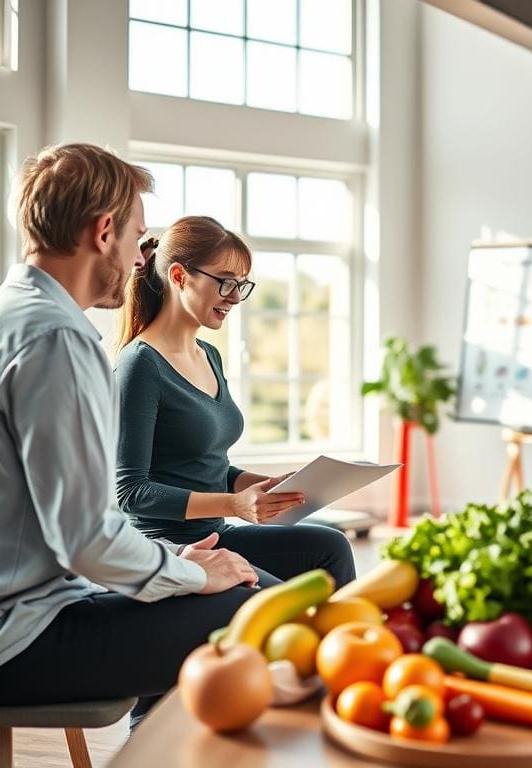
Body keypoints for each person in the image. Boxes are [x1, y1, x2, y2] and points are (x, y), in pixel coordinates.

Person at [0, 144, 262, 713]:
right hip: (0, 644)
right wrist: (188, 573)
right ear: (104, 231)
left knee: (235, 590)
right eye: (141, 241)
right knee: (256, 607)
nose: (145, 262)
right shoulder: (57, 339)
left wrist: (176, 567)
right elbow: (86, 538)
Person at [114, 216, 358, 723]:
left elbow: (207, 464)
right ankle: (170, 720)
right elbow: (130, 492)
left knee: (329, 546)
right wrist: (235, 504)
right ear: (179, 276)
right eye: (225, 281)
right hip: (170, 546)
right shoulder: (139, 365)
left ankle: (338, 690)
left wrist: (253, 486)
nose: (233, 295)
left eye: (241, 285)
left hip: (217, 531)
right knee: (278, 603)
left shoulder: (207, 353)